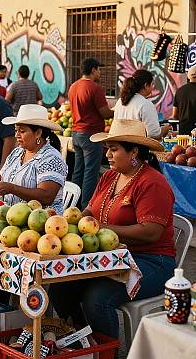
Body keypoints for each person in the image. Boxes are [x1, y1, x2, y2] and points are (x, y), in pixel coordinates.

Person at [50, 119, 176, 339]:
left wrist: (102, 229)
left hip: (151, 261)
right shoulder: (109, 176)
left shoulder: (152, 183)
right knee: (61, 287)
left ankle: (108, 352)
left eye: (114, 149)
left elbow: (151, 232)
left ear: (134, 152)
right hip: (110, 257)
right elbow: (88, 211)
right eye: (107, 148)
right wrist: (65, 224)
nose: (107, 154)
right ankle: (84, 341)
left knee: (97, 299)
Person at [0, 104, 67, 212]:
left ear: (38, 133)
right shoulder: (17, 152)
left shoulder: (51, 158)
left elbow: (46, 196)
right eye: (16, 130)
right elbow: (0, 177)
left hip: (43, 222)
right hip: (12, 218)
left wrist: (12, 188)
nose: (17, 135)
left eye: (22, 131)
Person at [68, 58, 114, 209]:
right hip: (91, 135)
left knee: (78, 170)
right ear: (93, 70)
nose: (100, 72)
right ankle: (86, 207)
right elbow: (105, 113)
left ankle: (71, 204)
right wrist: (116, 111)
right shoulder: (95, 88)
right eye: (99, 69)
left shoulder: (73, 86)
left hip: (76, 133)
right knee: (90, 173)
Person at [113, 69, 171, 140]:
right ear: (146, 85)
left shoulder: (120, 101)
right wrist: (164, 130)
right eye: (152, 84)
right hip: (137, 147)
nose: (153, 87)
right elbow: (153, 134)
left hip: (120, 143)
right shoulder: (146, 104)